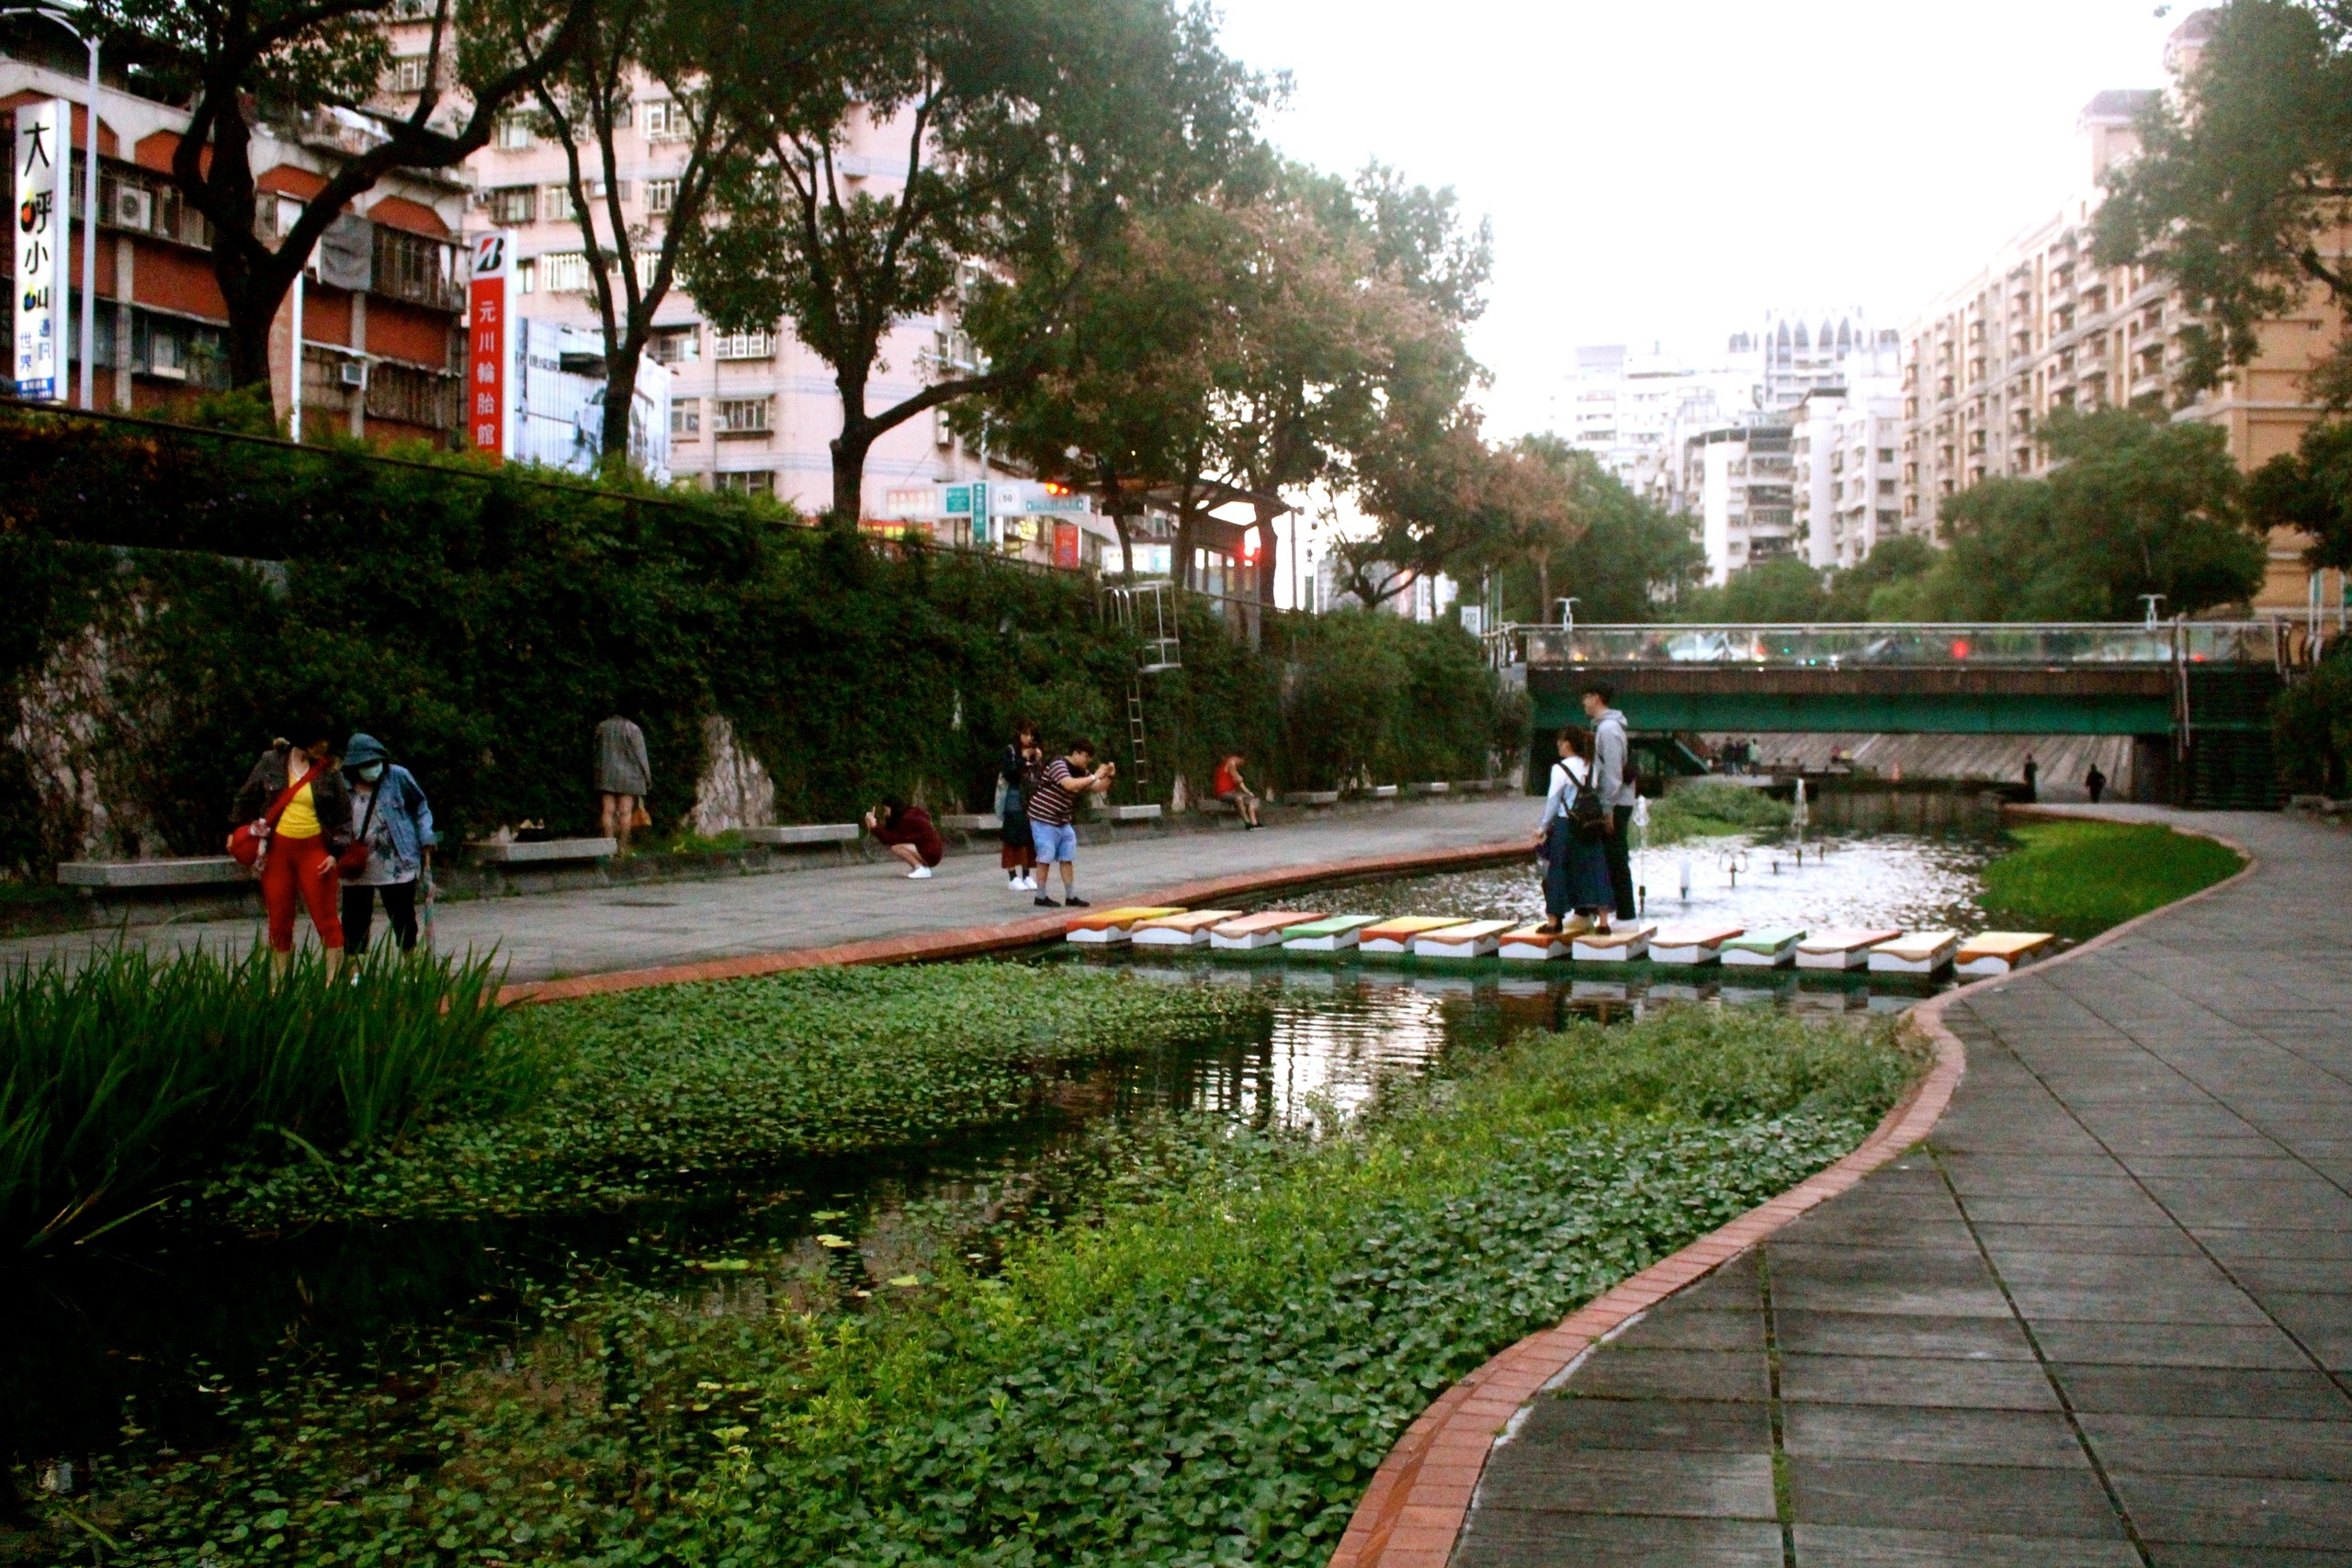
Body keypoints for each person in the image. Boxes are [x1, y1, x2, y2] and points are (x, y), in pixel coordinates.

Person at [230, 708, 352, 981]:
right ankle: (280, 982)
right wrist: (237, 830)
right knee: (280, 920)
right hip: (278, 854)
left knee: (327, 919)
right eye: (320, 739)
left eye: (328, 739)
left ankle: (334, 982)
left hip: (315, 851)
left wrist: (335, 853)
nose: (325, 744)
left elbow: (344, 818)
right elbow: (245, 797)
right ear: (305, 738)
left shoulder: (329, 770)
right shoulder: (271, 761)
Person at [339, 733, 435, 955]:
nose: (373, 768)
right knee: (354, 921)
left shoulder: (398, 777)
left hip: (397, 860)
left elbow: (420, 806)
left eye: (376, 762)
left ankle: (409, 967)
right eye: (367, 764)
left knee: (403, 917)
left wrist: (425, 835)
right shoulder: (343, 786)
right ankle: (355, 973)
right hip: (358, 863)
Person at [1534, 728, 1613, 935]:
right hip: (1590, 826)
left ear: (1569, 744)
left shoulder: (1560, 769)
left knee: (1557, 870)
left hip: (1566, 825)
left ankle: (1554, 921)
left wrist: (1542, 828)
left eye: (1561, 742)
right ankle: (1603, 923)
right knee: (1597, 869)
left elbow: (1553, 803)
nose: (1558, 746)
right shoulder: (1592, 767)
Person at [1026, 738, 1115, 908]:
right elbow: (1069, 784)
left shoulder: (1080, 770)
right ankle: (1040, 896)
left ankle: (1070, 896)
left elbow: (1097, 787)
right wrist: (1094, 776)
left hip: (1062, 820)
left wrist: (1109, 776)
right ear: (1075, 753)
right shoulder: (1059, 764)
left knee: (1067, 856)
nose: (1087, 761)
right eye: (1086, 756)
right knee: (1045, 855)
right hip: (1043, 817)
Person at [1580, 682, 1640, 922]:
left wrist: (1607, 809)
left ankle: (1626, 916)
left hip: (1616, 805)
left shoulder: (1608, 730)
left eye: (1586, 695)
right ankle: (1614, 913)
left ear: (1597, 698)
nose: (1583, 702)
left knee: (1616, 859)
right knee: (1608, 858)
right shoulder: (1605, 728)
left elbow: (1613, 774)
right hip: (1614, 803)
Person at [594, 713, 652, 852]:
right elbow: (641, 756)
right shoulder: (633, 729)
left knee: (608, 811)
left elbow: (596, 751)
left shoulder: (602, 727)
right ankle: (622, 847)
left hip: (606, 775)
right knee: (625, 813)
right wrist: (647, 778)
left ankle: (608, 848)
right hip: (630, 777)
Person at [999, 722, 1042, 891]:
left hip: (1029, 796)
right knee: (1012, 835)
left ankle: (1026, 874)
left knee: (1028, 835)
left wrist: (1037, 760)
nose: (1028, 738)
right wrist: (1022, 758)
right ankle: (1012, 876)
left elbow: (1038, 776)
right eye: (1025, 734)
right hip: (1014, 796)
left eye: (1031, 735)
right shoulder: (1011, 751)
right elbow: (1009, 773)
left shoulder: (1034, 752)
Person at [865, 798, 945, 880]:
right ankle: (918, 868)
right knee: (896, 846)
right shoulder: (908, 814)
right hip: (930, 850)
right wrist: (872, 827)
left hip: (931, 853)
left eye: (886, 810)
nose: (885, 814)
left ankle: (920, 868)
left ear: (893, 808)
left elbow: (892, 839)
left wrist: (874, 827)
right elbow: (890, 834)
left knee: (896, 847)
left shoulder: (907, 819)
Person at [1212, 750, 1261, 829]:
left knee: (1252, 799)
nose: (1241, 764)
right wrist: (1248, 792)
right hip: (1224, 793)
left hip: (1232, 793)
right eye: (1242, 761)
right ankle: (1247, 823)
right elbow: (1238, 780)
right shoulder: (1231, 762)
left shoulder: (1228, 764)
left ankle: (1254, 822)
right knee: (1239, 798)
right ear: (1240, 759)